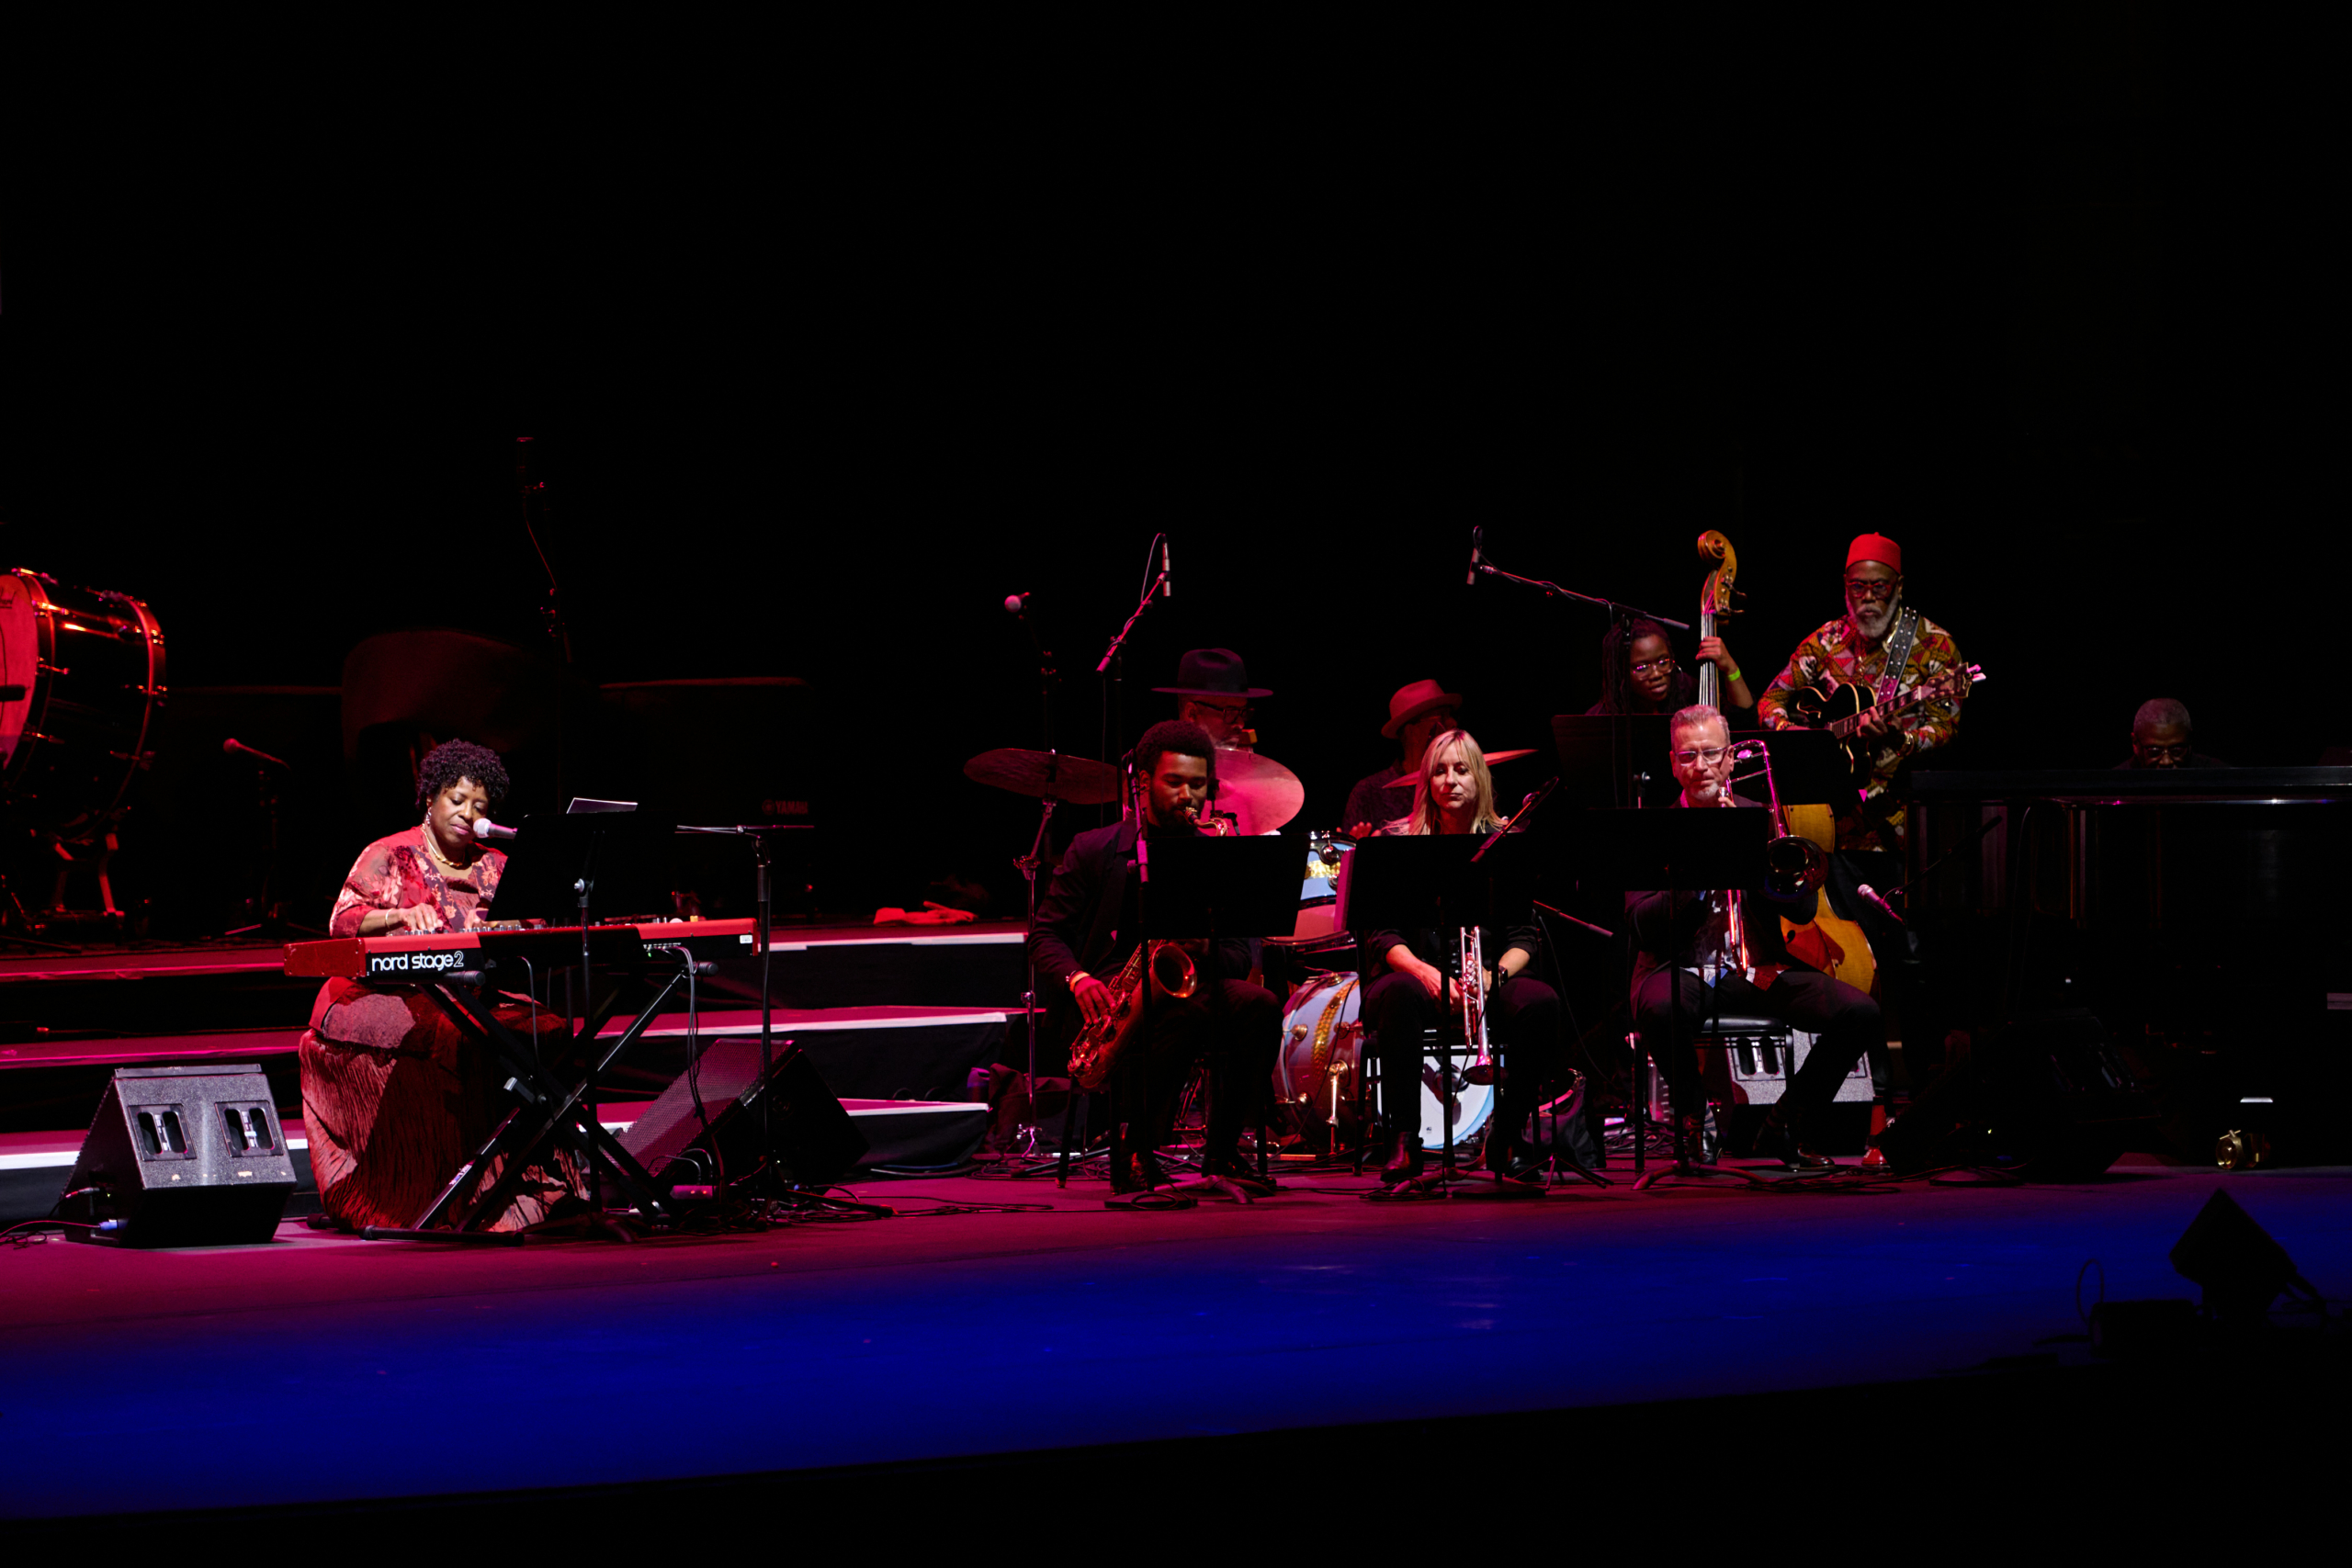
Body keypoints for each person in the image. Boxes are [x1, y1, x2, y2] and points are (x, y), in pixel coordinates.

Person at [298, 740, 582, 1231]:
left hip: (473, 992)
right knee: (454, 1037)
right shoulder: (390, 854)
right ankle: (449, 1198)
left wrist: (514, 929)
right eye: (456, 800)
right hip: (388, 994)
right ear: (429, 798)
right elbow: (341, 922)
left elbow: (534, 927)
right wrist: (398, 916)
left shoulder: (496, 865)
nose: (467, 815)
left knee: (549, 1028)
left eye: (480, 807)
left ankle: (536, 1191)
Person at [1028, 720, 1282, 1192]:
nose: (1188, 796)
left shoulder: (1214, 857)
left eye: (1198, 784)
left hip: (1187, 988)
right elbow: (1044, 935)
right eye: (1175, 782)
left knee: (1261, 1007)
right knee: (1181, 1016)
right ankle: (1136, 1151)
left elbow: (1238, 953)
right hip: (1108, 1001)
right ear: (1143, 783)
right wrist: (1078, 980)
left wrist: (1199, 948)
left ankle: (1222, 1153)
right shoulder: (1093, 849)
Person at [1627, 705, 1883, 1168]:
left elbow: (1803, 910)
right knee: (1659, 1007)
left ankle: (1786, 1122)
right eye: (1688, 756)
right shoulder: (1652, 829)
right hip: (1678, 965)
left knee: (1860, 1012)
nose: (1700, 766)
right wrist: (1700, 867)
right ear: (1672, 763)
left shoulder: (1758, 817)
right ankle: (1694, 1118)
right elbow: (1641, 924)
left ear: (1730, 760)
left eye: (1710, 754)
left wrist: (1771, 869)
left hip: (1752, 968)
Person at [1360, 729, 1563, 1188]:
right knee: (1398, 994)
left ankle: (1505, 1136)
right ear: (1427, 782)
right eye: (1439, 770)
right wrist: (1425, 972)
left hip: (1485, 978)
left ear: (1481, 780)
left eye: (1461, 769)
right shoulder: (1398, 844)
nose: (1450, 780)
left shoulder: (1505, 842)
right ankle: (1404, 1140)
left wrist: (1494, 976)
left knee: (1542, 1003)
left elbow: (1523, 936)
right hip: (1413, 975)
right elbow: (1382, 934)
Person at [1758, 533, 1969, 852]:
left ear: (1898, 586)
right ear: (1846, 585)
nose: (1868, 597)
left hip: (1896, 821)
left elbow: (1947, 728)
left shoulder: (1934, 645)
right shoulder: (1827, 639)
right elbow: (1771, 700)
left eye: (1879, 587)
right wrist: (1798, 736)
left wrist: (1903, 739)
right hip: (1824, 818)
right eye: (1858, 586)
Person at [1342, 678, 1461, 840]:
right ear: (1412, 732)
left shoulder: (1464, 784)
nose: (1453, 722)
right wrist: (1355, 851)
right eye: (1442, 716)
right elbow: (1345, 856)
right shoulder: (1369, 793)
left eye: (1450, 715)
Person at [1587, 616, 1754, 721]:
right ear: (1620, 671)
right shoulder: (1602, 718)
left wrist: (1731, 669)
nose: (1657, 674)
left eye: (1663, 661)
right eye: (1642, 667)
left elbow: (1744, 718)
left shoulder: (1685, 689)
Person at [1154, 648, 1270, 750]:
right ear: (1192, 713)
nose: (1240, 724)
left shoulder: (1244, 766)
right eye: (1229, 712)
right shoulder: (1161, 766)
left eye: (1243, 712)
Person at [2120, 697, 2224, 769]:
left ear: (2190, 740)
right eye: (2154, 751)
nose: (2166, 762)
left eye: (2176, 750)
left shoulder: (2221, 776)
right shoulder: (2115, 782)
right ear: (2135, 743)